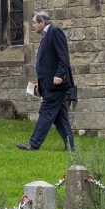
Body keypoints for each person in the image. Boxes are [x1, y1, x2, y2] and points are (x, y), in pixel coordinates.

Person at [18, 9, 76, 151]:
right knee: (59, 117)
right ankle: (71, 147)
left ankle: (33, 144)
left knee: (46, 112)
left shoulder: (55, 32)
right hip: (49, 83)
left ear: (42, 22)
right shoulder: (45, 35)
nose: (33, 26)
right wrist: (41, 82)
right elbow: (48, 63)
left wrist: (59, 75)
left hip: (57, 84)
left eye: (34, 23)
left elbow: (63, 57)